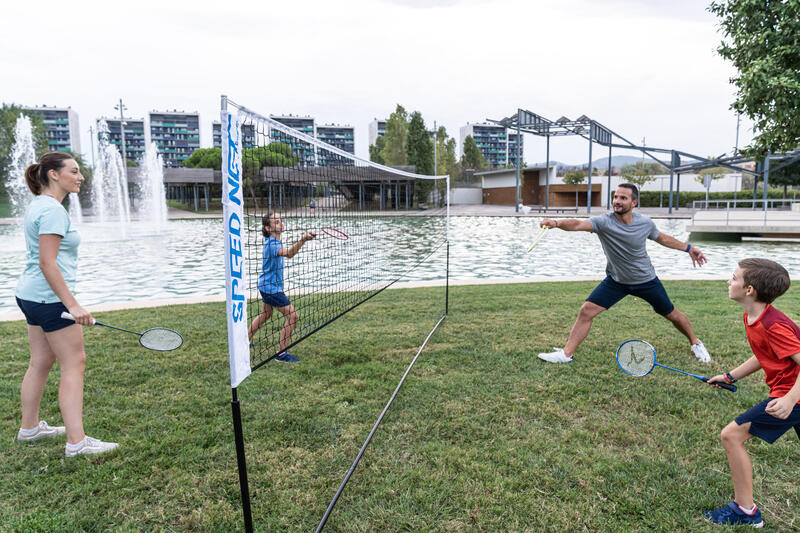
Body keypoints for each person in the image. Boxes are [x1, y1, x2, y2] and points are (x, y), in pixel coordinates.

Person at [537, 183, 712, 364]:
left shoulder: (645, 223)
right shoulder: (603, 222)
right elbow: (578, 224)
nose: (617, 201)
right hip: (616, 281)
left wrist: (689, 248)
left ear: (634, 202)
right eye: (615, 197)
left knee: (672, 314)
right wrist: (556, 223)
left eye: (623, 198)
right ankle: (566, 354)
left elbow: (662, 238)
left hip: (646, 280)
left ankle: (696, 343)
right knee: (586, 311)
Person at [15, 152, 118, 457]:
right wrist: (72, 305)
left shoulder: (40, 205)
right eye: (74, 171)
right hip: (48, 299)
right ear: (53, 175)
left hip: (30, 296)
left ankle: (30, 428)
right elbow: (48, 263)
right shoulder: (53, 212)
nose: (80, 177)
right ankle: (77, 442)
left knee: (40, 362)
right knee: (74, 362)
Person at [702, 258, 800, 528]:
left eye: (733, 277)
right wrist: (730, 376)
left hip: (793, 397)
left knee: (731, 435)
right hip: (791, 396)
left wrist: (790, 399)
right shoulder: (755, 317)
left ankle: (745, 511)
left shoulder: (774, 325)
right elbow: (763, 354)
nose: (728, 281)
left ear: (749, 290)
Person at [248, 213, 315, 362]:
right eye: (276, 222)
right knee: (292, 316)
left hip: (266, 285)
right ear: (268, 228)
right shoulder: (272, 244)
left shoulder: (273, 242)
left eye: (281, 221)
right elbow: (290, 254)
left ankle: (245, 340)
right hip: (271, 289)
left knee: (266, 315)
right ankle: (282, 353)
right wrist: (303, 239)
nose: (281, 223)